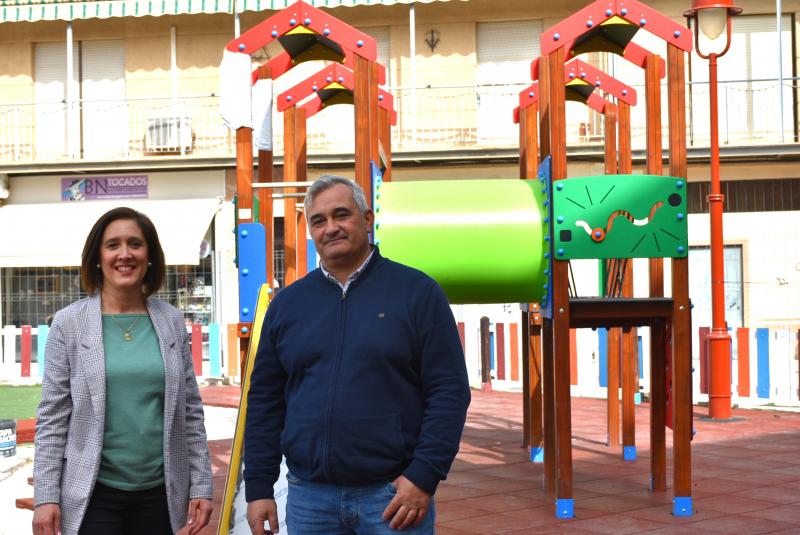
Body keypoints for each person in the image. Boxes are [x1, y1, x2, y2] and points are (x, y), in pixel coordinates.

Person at [244, 175, 471, 534]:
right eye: (319, 221)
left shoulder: (417, 293)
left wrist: (424, 476)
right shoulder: (288, 305)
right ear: (310, 231)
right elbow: (265, 403)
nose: (330, 228)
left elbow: (450, 391)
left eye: (341, 215)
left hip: (392, 497)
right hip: (309, 499)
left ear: (367, 220)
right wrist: (258, 487)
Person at [32, 207, 213, 535]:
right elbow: (52, 419)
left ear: (150, 256)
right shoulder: (68, 324)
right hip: (93, 496)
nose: (125, 254)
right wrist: (45, 497)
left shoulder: (171, 321)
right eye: (113, 245)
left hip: (162, 495)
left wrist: (201, 485)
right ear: (97, 258)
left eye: (135, 244)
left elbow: (191, 414)